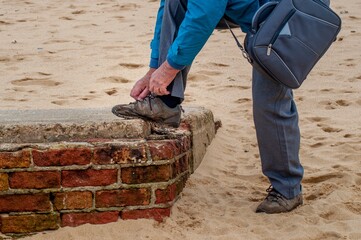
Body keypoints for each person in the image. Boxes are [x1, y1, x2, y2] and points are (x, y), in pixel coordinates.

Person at [112, 0, 303, 214]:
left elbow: (203, 16)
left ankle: (287, 189)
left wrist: (169, 69)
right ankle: (165, 103)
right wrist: (154, 67)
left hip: (293, 14)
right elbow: (169, 9)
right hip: (255, 9)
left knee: (269, 102)